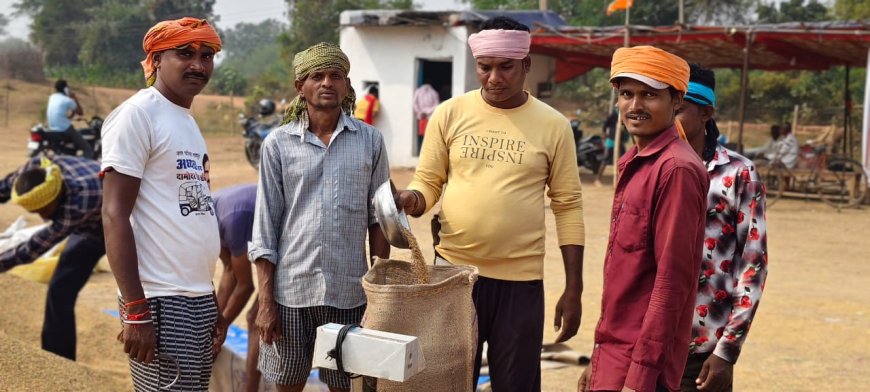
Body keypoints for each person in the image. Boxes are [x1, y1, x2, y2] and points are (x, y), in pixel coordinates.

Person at [395, 16, 585, 391]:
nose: (494, 78)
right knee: (450, 381)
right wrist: (410, 199)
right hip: (454, 276)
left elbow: (568, 205)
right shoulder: (450, 114)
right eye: (485, 67)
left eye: (506, 67)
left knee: (515, 385)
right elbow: (429, 182)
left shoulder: (554, 126)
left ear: (526, 65)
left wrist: (574, 287)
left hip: (521, 283)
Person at [248, 42, 391, 392]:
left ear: (346, 85)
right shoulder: (277, 144)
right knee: (288, 383)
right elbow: (265, 227)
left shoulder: (370, 140)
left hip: (350, 294)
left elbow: (380, 219)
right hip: (290, 294)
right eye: (317, 76)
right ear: (301, 86)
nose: (327, 83)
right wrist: (265, 303)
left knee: (352, 386)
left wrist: (379, 294)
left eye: (335, 75)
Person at [100, 17, 225, 391]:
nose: (199, 65)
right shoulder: (138, 115)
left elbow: (191, 213)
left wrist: (209, 295)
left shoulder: (185, 120)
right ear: (155, 60)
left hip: (195, 297)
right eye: (184, 54)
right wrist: (136, 310)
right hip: (160, 302)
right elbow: (114, 215)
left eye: (207, 56)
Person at [577, 46, 709, 392]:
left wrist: (640, 376)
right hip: (615, 351)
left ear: (676, 100)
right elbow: (628, 278)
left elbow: (672, 281)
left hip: (642, 364)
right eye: (626, 94)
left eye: (649, 95)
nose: (635, 106)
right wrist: (598, 359)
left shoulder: (676, 169)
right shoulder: (634, 160)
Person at [675, 64, 768, 392]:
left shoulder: (738, 174)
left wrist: (727, 351)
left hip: (701, 350)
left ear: (706, 113)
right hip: (648, 343)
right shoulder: (648, 167)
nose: (669, 117)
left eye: (680, 109)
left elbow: (753, 267)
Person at [0, 155, 103, 361]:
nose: (43, 218)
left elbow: (33, 247)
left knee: (145, 288)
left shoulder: (78, 203)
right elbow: (4, 187)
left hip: (123, 222)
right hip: (89, 219)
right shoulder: (34, 171)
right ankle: (57, 361)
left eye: (45, 211)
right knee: (59, 291)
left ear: (58, 195)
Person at [213, 184, 261, 392]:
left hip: (293, 236)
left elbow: (245, 286)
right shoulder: (208, 218)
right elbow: (230, 272)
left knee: (257, 318)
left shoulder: (229, 221)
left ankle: (250, 387)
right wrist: (211, 329)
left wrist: (220, 329)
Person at [46, 80, 94, 159]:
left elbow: (62, 112)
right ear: (66, 89)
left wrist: (70, 116)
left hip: (52, 128)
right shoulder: (67, 100)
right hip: (64, 129)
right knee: (87, 149)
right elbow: (80, 112)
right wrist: (74, 98)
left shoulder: (52, 97)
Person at [413, 82, 440, 151]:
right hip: (430, 117)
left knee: (422, 135)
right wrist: (428, 112)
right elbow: (436, 105)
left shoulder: (418, 92)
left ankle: (421, 151)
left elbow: (415, 104)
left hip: (422, 116)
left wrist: (421, 112)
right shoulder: (434, 93)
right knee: (430, 135)